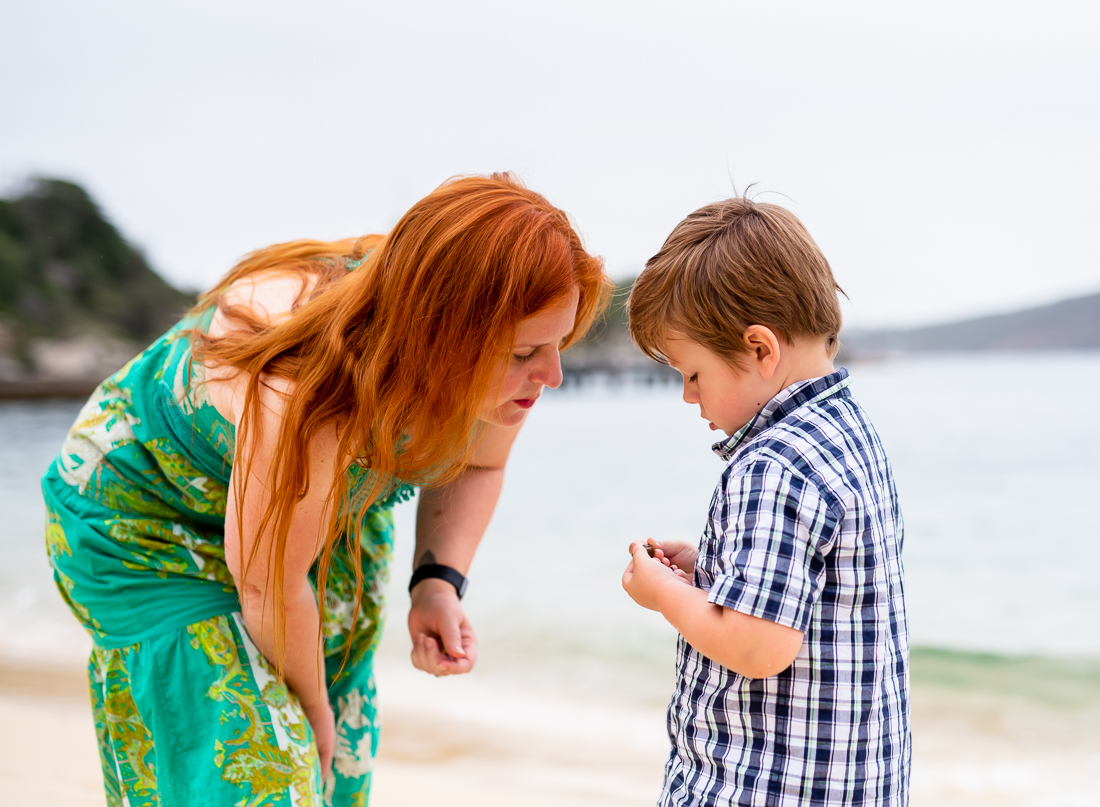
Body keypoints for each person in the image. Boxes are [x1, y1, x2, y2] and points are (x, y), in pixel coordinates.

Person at [42, 173, 611, 807]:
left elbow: (477, 466)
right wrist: (308, 713)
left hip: (312, 512)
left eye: (558, 344)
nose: (553, 375)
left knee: (337, 776)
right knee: (268, 773)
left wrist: (437, 583)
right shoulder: (307, 391)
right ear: (442, 337)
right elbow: (268, 583)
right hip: (144, 522)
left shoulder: (501, 356)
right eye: (526, 352)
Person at [621, 197, 909, 806]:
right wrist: (710, 572)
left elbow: (756, 646)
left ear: (759, 350)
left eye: (692, 373)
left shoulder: (770, 466)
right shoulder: (850, 437)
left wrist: (664, 594)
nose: (687, 397)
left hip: (760, 786)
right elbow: (814, 591)